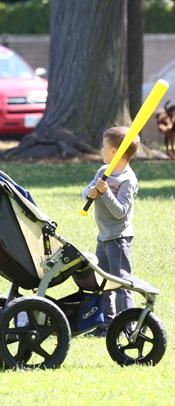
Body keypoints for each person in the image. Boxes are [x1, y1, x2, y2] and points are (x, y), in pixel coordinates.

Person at [82, 126, 139, 338]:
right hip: (103, 236)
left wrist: (105, 193)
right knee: (102, 280)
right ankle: (107, 323)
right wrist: (89, 192)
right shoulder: (102, 171)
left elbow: (120, 213)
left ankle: (128, 324)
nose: (101, 149)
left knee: (122, 281)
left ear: (115, 151)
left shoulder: (128, 180)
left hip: (119, 238)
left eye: (104, 146)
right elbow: (87, 192)